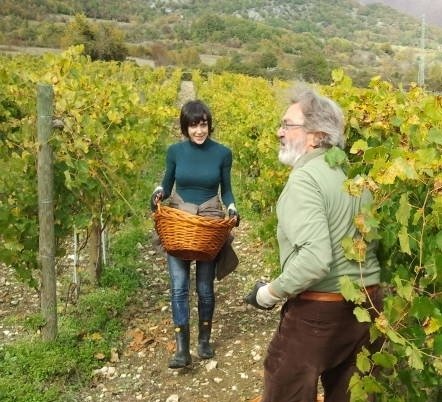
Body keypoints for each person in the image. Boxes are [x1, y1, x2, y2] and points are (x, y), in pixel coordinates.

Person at [245, 86, 383, 402]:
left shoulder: (306, 179)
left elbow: (314, 260)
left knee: (285, 387)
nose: (279, 132)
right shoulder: (352, 176)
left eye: (287, 125)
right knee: (350, 393)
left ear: (315, 136)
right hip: (367, 307)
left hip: (320, 313)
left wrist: (268, 294)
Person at [150, 99, 240, 369]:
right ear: (185, 127)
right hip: (179, 218)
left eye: (203, 125)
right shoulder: (175, 152)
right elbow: (167, 184)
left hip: (209, 219)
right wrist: (157, 193)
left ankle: (203, 340)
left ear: (209, 125)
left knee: (204, 287)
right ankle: (181, 350)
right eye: (193, 126)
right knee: (178, 287)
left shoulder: (223, 153)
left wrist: (233, 208)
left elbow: (227, 190)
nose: (199, 131)